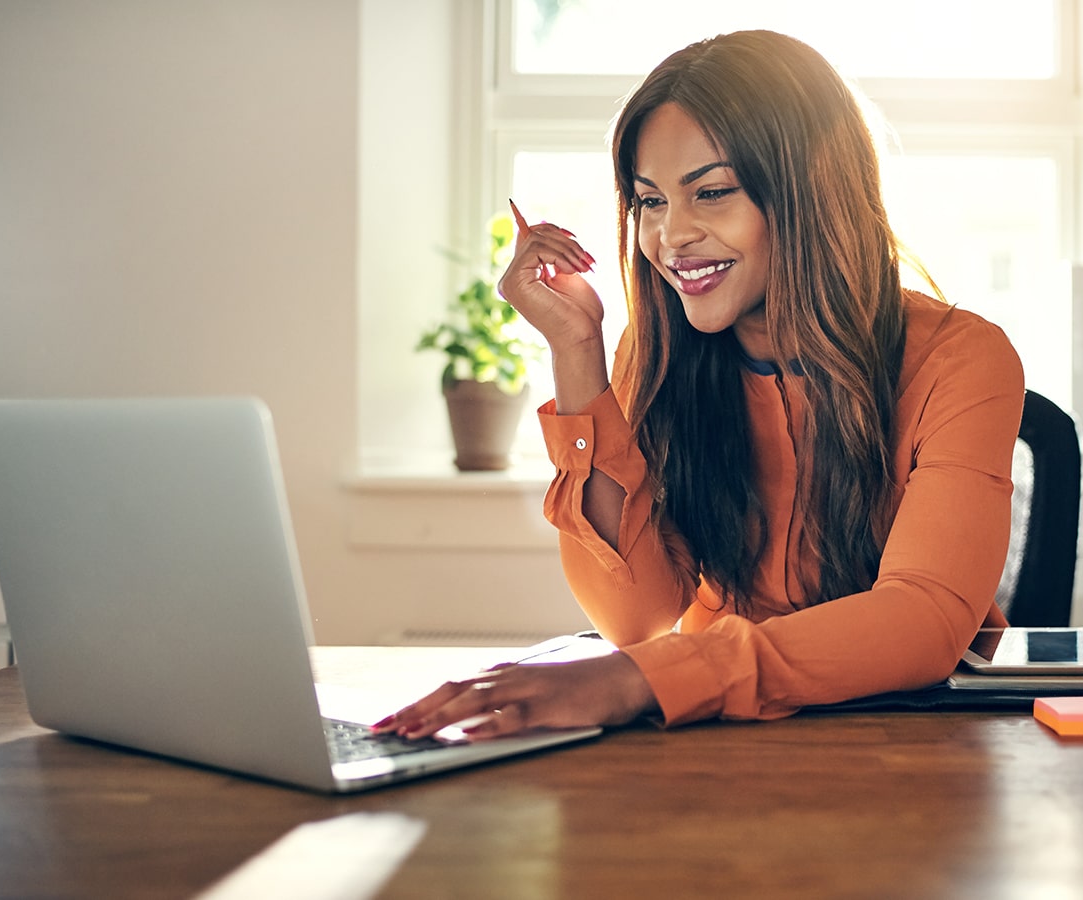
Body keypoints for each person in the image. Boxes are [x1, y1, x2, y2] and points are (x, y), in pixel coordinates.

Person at [374, 29, 1024, 741]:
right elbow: (636, 618)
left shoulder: (963, 358)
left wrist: (643, 681)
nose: (671, 237)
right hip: (720, 741)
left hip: (912, 749)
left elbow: (922, 618)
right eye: (650, 202)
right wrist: (576, 350)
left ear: (812, 190)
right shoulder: (654, 355)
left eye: (710, 193)